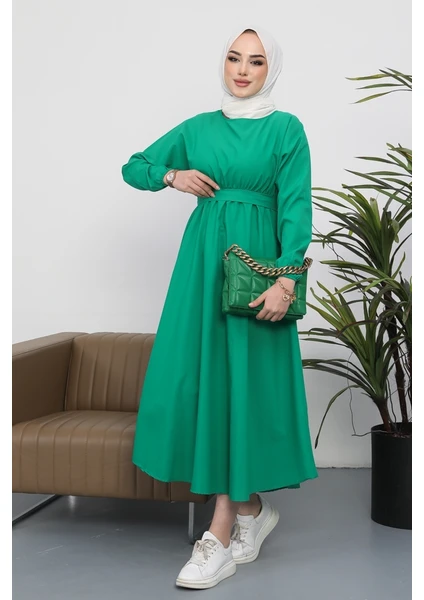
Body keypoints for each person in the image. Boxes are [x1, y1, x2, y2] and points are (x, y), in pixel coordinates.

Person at [121, 25, 318, 590]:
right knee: (204, 381)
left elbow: (296, 208)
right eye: (234, 58)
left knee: (244, 386)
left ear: (270, 69)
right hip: (202, 268)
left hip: (255, 273)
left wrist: (286, 280)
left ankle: (220, 532)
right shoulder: (198, 128)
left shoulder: (286, 129)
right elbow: (134, 166)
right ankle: (250, 509)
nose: (242, 70)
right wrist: (170, 175)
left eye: (255, 61)